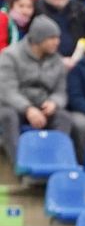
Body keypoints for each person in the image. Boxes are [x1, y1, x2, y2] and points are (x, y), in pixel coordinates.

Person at [0, 16, 73, 164]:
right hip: (13, 106)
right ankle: (20, 164)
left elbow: (61, 91)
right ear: (39, 39)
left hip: (43, 105)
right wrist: (28, 109)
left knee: (64, 117)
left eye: (57, 37)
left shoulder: (57, 60)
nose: (57, 42)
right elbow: (6, 90)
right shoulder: (10, 55)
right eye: (52, 38)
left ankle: (54, 161)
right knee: (8, 116)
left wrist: (54, 102)